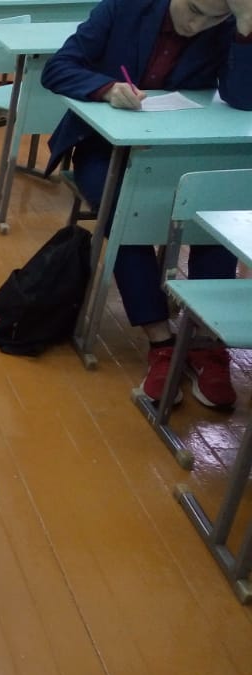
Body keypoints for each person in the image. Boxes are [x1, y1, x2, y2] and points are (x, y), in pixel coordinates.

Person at [41, 0, 252, 407]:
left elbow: (242, 98)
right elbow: (58, 68)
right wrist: (106, 89)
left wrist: (245, 25)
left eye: (213, 18)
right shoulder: (125, 7)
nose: (197, 24)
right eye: (193, 9)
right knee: (127, 208)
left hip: (180, 149)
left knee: (214, 208)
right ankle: (162, 340)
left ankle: (206, 339)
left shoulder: (228, 25)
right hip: (104, 147)